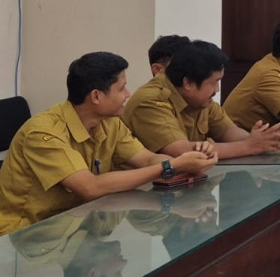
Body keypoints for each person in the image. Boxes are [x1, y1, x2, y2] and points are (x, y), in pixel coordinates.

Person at [0, 52, 216, 235]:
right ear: (96, 96)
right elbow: (90, 187)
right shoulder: (43, 133)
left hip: (78, 226)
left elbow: (147, 159)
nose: (128, 94)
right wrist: (171, 167)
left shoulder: (110, 123)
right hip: (27, 237)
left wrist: (191, 160)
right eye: (122, 88)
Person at [124, 40, 280, 159]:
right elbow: (180, 151)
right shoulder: (151, 101)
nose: (217, 90)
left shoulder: (200, 99)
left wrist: (261, 139)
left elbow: (228, 131)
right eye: (214, 82)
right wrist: (248, 146)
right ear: (188, 82)